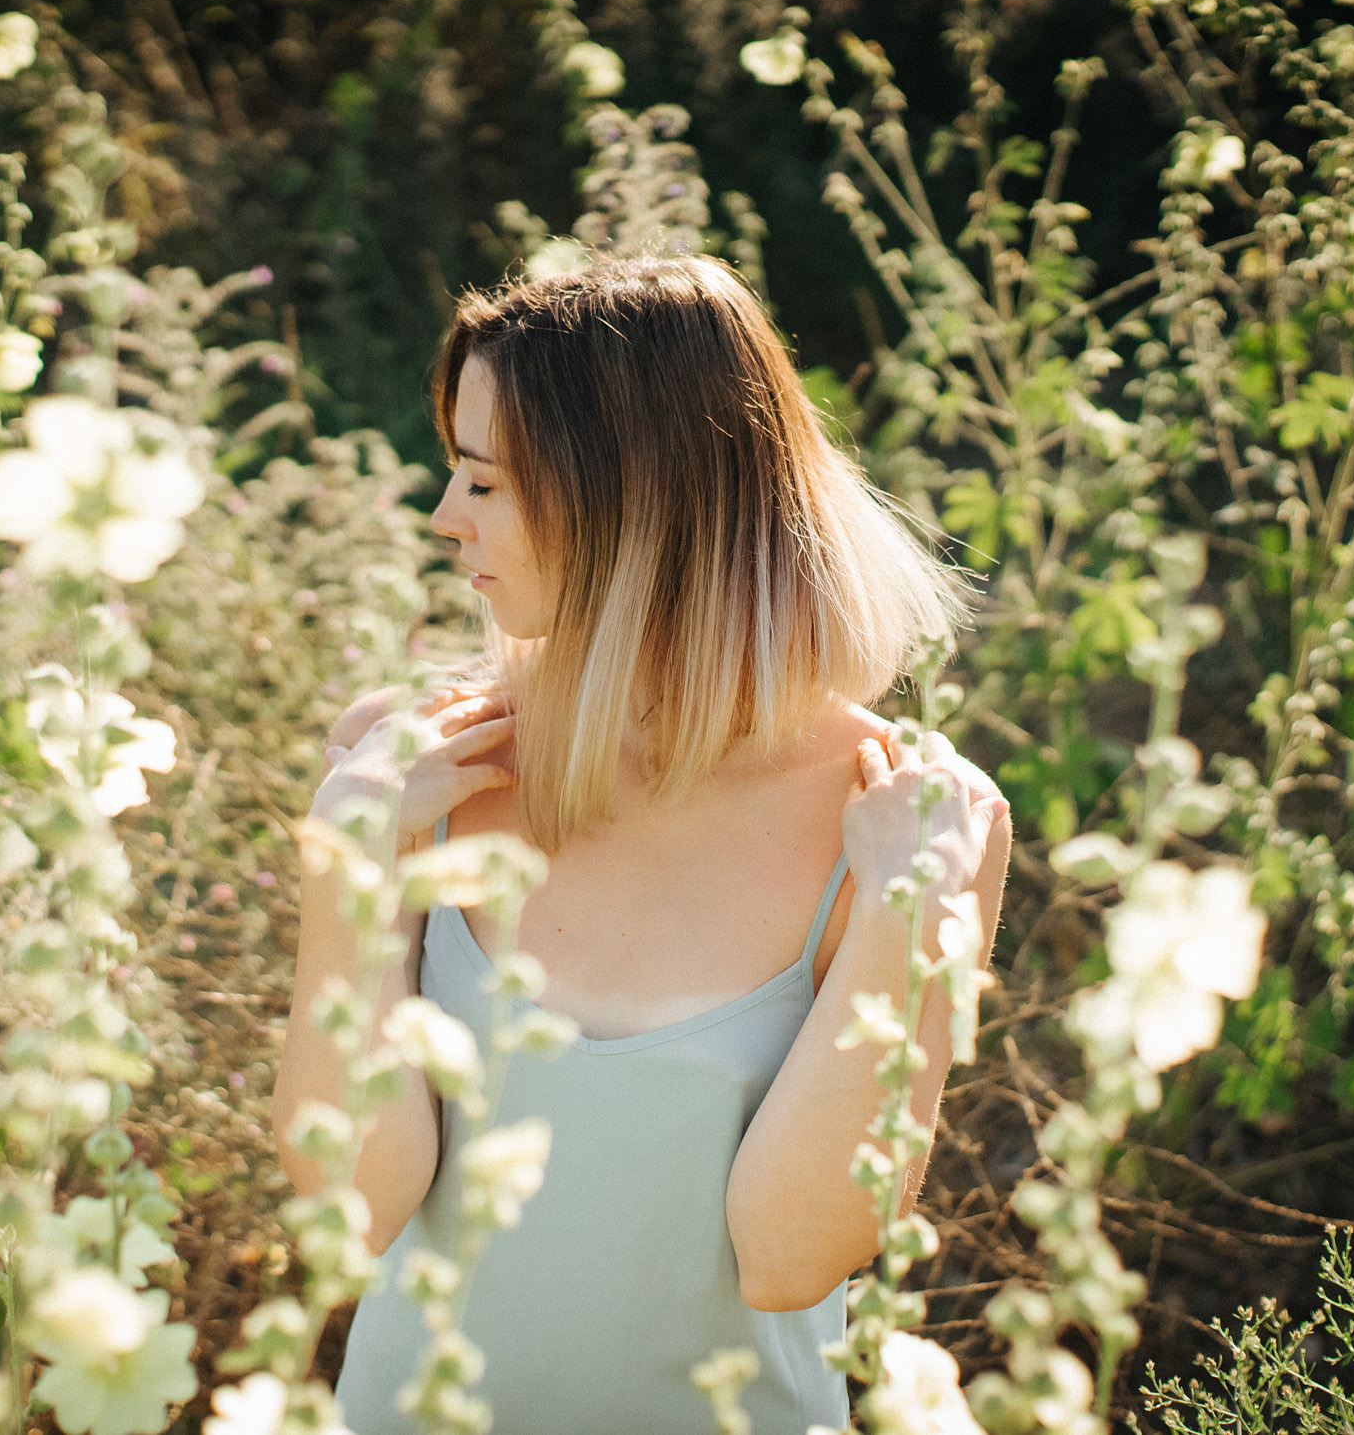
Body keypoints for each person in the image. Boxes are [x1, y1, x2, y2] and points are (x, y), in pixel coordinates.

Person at [271, 254, 1012, 1435]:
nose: (445, 516)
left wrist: (900, 914)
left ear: (632, 503)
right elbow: (348, 1213)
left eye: (484, 480)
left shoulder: (913, 823)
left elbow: (793, 1255)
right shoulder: (403, 766)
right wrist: (344, 872)